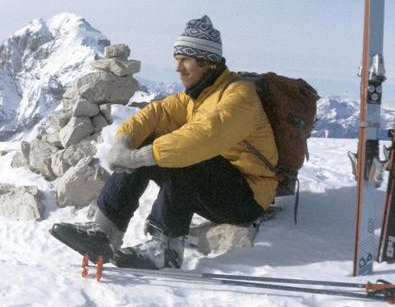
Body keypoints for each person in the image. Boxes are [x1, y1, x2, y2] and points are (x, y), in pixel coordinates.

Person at [50, 14, 279, 269]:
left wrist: (139, 157)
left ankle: (165, 248)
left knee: (183, 156)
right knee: (154, 142)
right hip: (218, 187)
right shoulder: (197, 97)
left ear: (208, 62)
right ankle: (104, 233)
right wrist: (124, 142)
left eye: (185, 60)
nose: (178, 67)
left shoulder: (239, 96)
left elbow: (204, 137)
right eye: (177, 60)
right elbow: (155, 114)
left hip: (248, 198)